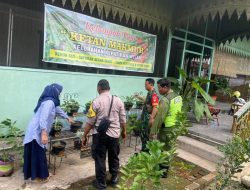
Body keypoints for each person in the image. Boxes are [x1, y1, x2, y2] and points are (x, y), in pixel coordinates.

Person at [82, 79, 126, 190]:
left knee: (100, 158)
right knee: (114, 156)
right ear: (108, 88)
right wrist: (124, 131)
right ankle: (114, 179)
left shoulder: (96, 101)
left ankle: (101, 183)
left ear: (99, 88)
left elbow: (90, 122)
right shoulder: (118, 100)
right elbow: (123, 119)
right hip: (115, 135)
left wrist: (84, 135)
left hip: (100, 135)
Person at [23, 83, 73, 182]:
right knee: (38, 154)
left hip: (35, 130)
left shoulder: (51, 102)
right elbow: (43, 118)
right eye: (59, 92)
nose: (59, 95)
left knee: (36, 153)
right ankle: (41, 176)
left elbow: (59, 110)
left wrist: (68, 118)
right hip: (37, 131)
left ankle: (35, 175)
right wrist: (44, 133)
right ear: (55, 92)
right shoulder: (49, 102)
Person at [151, 78, 182, 178]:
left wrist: (153, 131)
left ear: (165, 87)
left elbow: (160, 117)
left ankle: (163, 171)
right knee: (169, 148)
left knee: (164, 149)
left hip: (166, 128)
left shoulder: (165, 100)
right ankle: (165, 168)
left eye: (159, 88)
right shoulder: (178, 96)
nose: (158, 90)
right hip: (175, 127)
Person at [134, 78, 158, 152]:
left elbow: (155, 107)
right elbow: (147, 101)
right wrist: (138, 96)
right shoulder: (150, 93)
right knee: (143, 134)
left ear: (151, 84)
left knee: (146, 135)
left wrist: (151, 118)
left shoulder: (153, 94)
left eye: (146, 84)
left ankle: (146, 151)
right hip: (145, 118)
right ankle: (144, 150)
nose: (145, 86)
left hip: (147, 119)